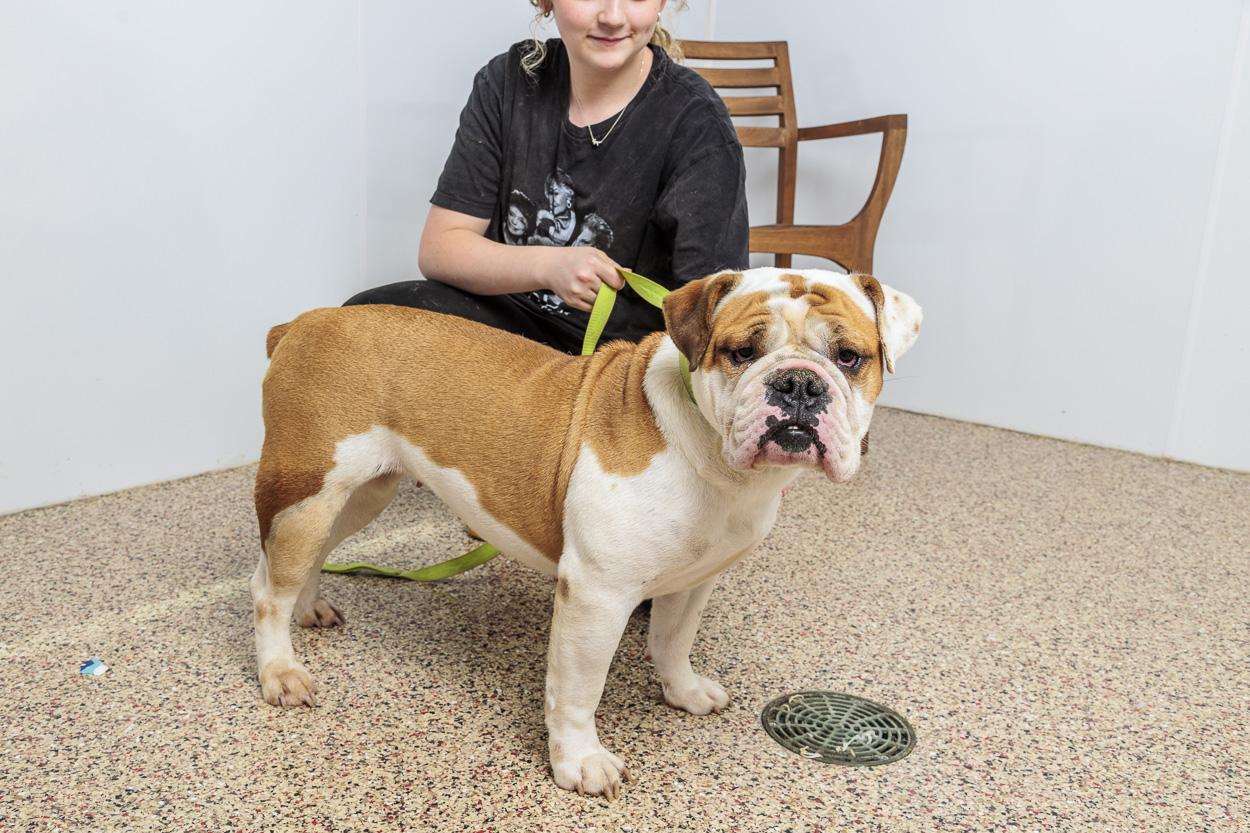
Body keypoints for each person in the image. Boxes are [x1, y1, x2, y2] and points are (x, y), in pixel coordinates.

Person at [345, 0, 750, 354]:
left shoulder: (698, 123)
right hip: (505, 324)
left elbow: (715, 308)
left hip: (618, 357)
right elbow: (440, 248)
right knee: (355, 328)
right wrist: (548, 266)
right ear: (545, 1)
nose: (612, 16)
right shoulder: (508, 81)